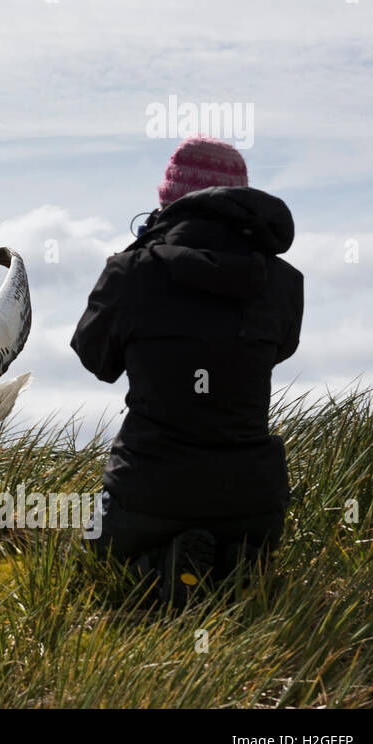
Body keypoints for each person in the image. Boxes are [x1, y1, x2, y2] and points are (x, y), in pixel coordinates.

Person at [71, 136, 304, 605]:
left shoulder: (131, 272)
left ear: (167, 200)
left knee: (90, 567)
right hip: (252, 500)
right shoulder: (284, 282)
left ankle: (157, 568)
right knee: (234, 543)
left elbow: (97, 360)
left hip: (146, 495)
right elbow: (278, 351)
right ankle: (230, 567)